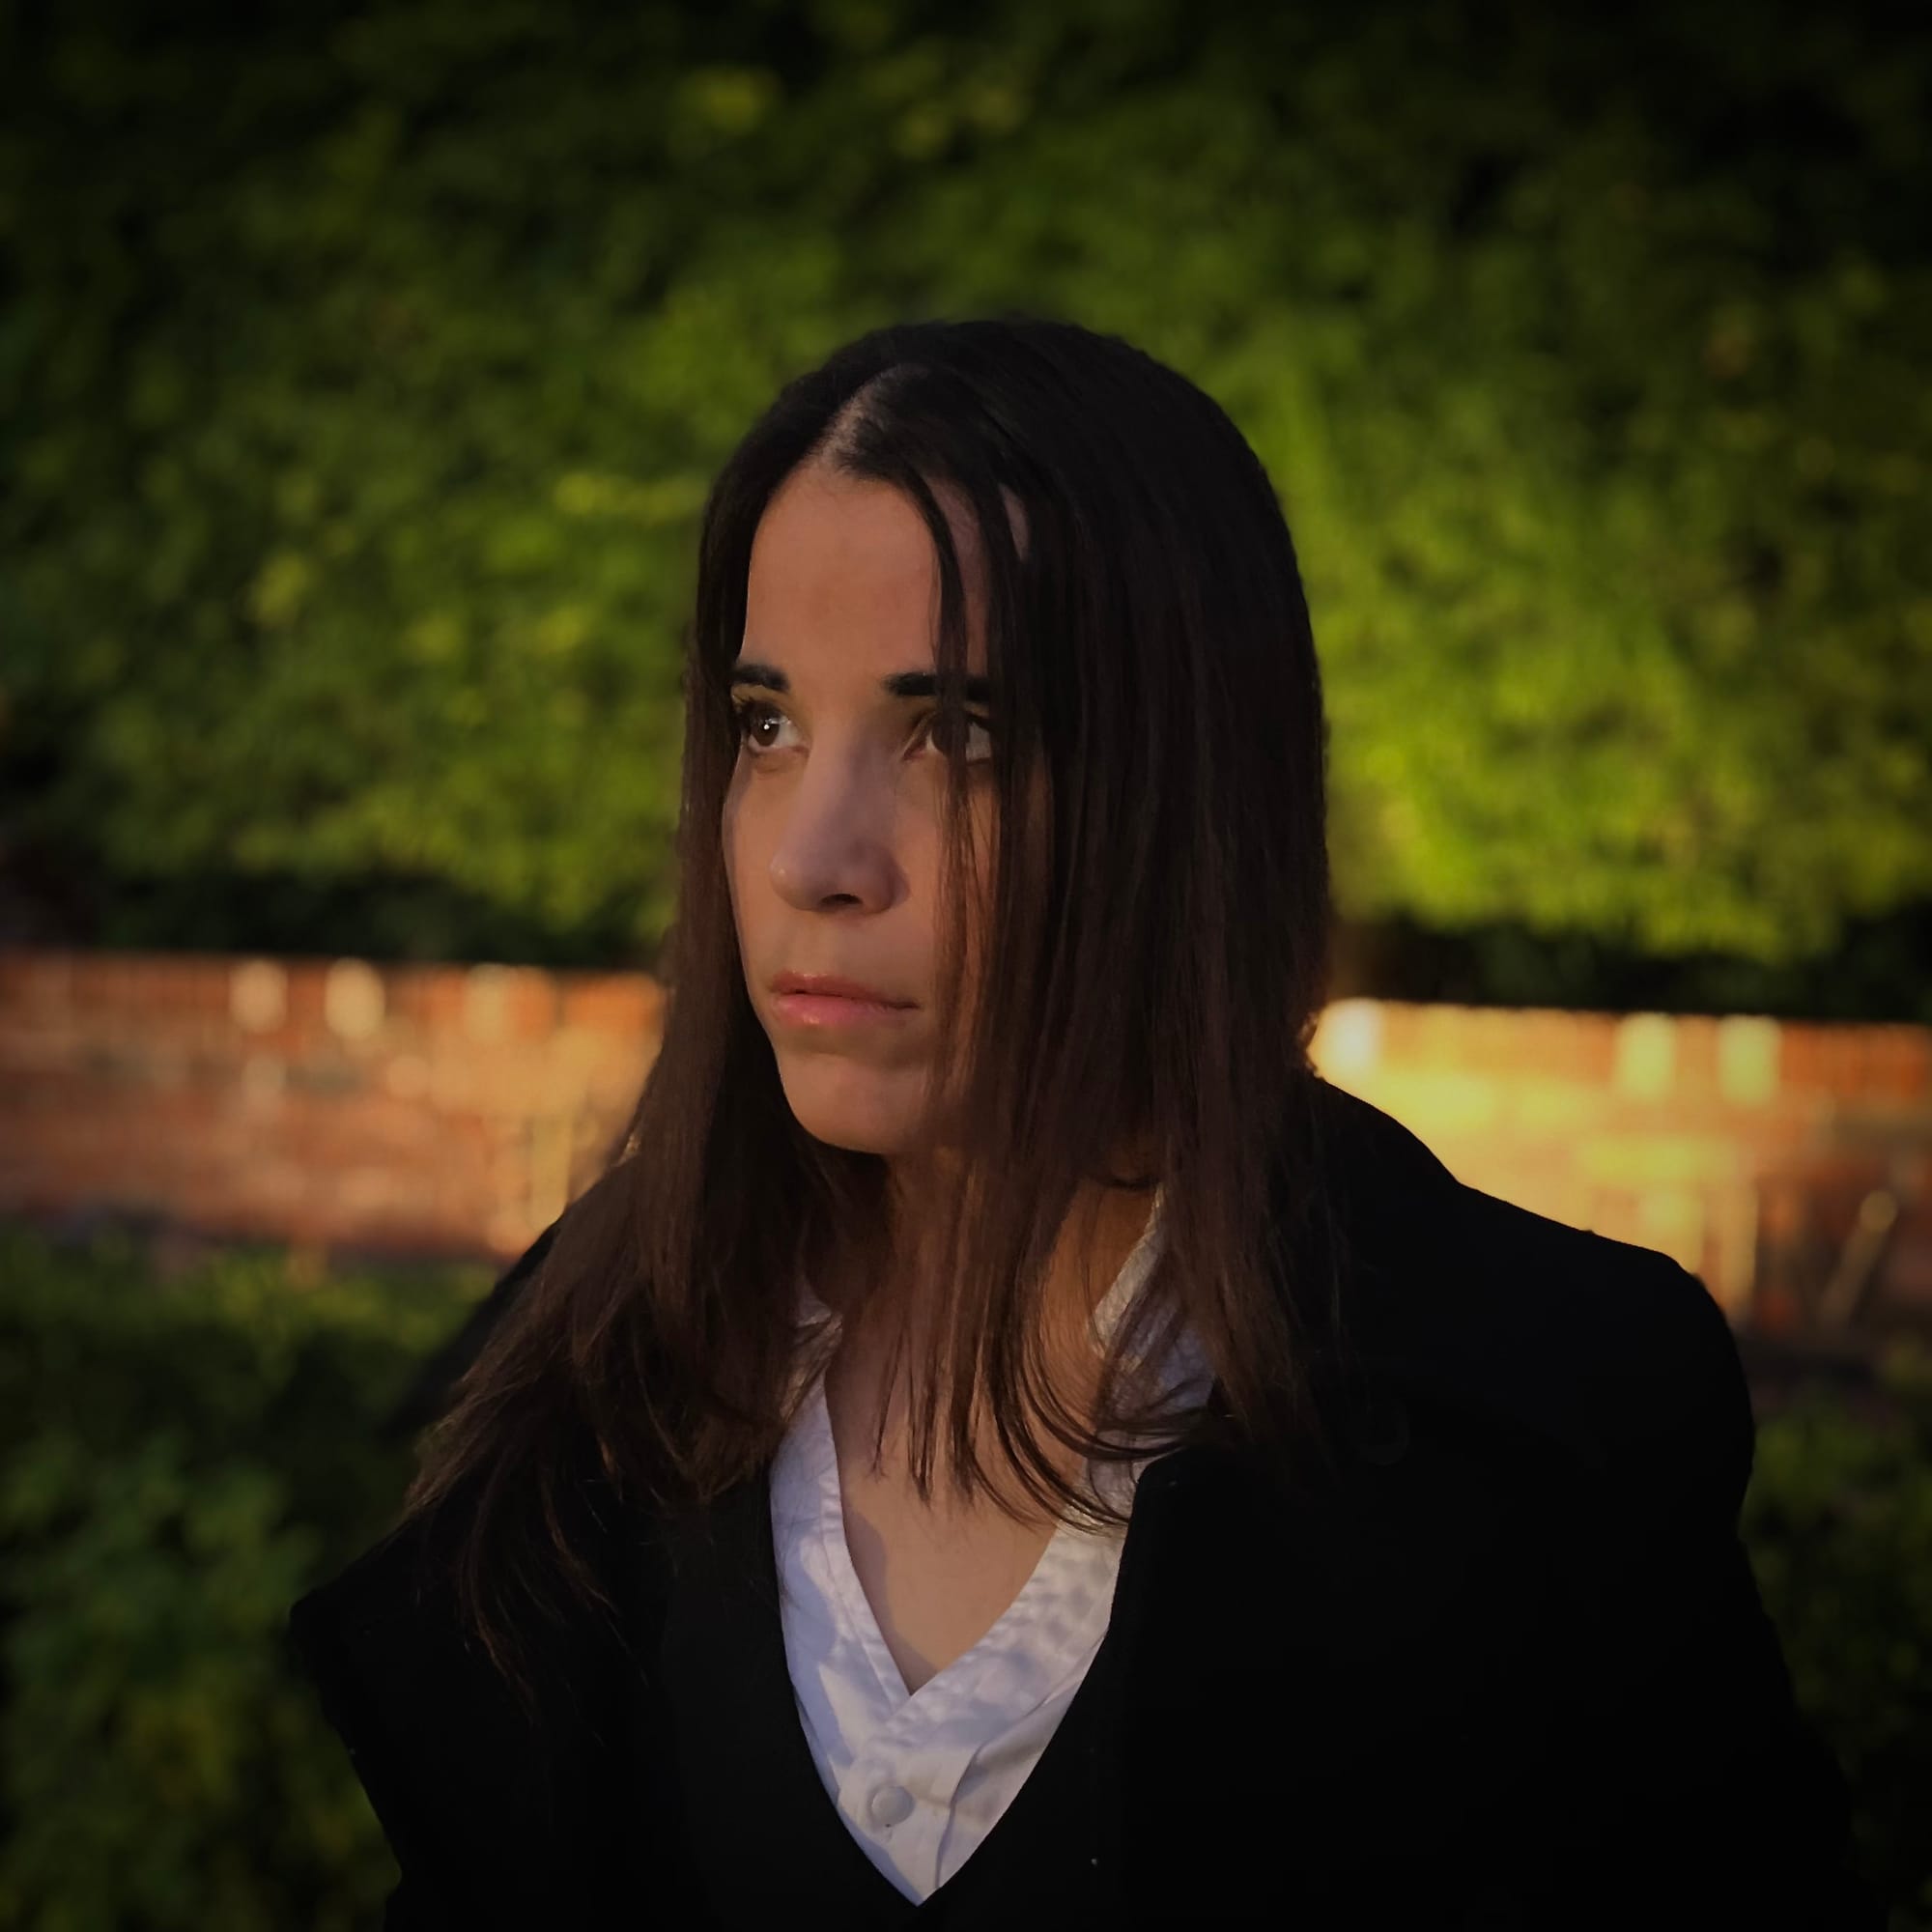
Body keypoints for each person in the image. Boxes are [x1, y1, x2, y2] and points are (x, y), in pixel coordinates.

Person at [287, 315, 1878, 1928]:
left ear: (1184, 794)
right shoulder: (587, 1382)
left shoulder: (1541, 1420)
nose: (810, 857)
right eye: (768, 726)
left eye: (956, 735)